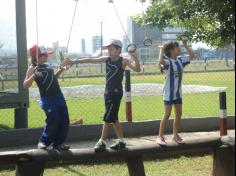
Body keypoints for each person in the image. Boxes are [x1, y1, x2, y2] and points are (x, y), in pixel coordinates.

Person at [63, 39, 141, 152]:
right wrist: (73, 61)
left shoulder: (124, 61)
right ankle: (121, 141)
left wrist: (136, 57)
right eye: (108, 49)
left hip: (116, 93)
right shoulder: (107, 59)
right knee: (113, 118)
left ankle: (102, 141)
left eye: (111, 49)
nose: (109, 51)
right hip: (107, 93)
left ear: (118, 49)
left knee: (107, 117)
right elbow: (90, 60)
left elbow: (138, 69)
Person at [23, 45, 70, 150]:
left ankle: (58, 143)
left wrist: (60, 70)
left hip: (59, 95)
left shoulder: (47, 65)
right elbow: (25, 85)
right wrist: (34, 75)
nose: (47, 56)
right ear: (38, 56)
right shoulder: (32, 68)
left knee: (64, 119)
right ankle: (43, 141)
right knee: (53, 118)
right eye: (45, 55)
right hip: (47, 98)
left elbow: (53, 79)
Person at [157, 39, 194, 145]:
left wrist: (186, 45)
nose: (179, 49)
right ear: (172, 50)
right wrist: (161, 50)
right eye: (177, 47)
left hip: (177, 93)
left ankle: (175, 135)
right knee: (167, 114)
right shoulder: (168, 62)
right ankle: (160, 137)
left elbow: (192, 55)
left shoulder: (180, 60)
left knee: (179, 113)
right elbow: (160, 61)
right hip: (168, 93)